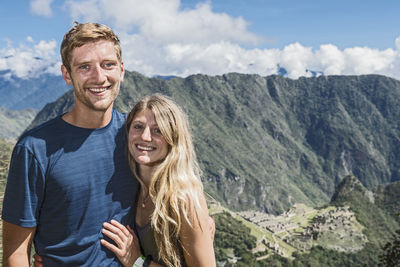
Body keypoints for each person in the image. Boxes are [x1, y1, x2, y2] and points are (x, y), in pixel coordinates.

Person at [2, 22, 139, 266]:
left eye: (107, 65)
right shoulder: (35, 149)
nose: (99, 77)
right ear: (67, 75)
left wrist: (138, 257)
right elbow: (15, 249)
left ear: (121, 70)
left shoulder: (138, 137)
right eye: (84, 67)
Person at [100, 94, 216, 267]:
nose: (145, 137)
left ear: (173, 139)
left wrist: (137, 261)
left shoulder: (184, 200)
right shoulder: (131, 187)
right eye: (138, 127)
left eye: (158, 130)